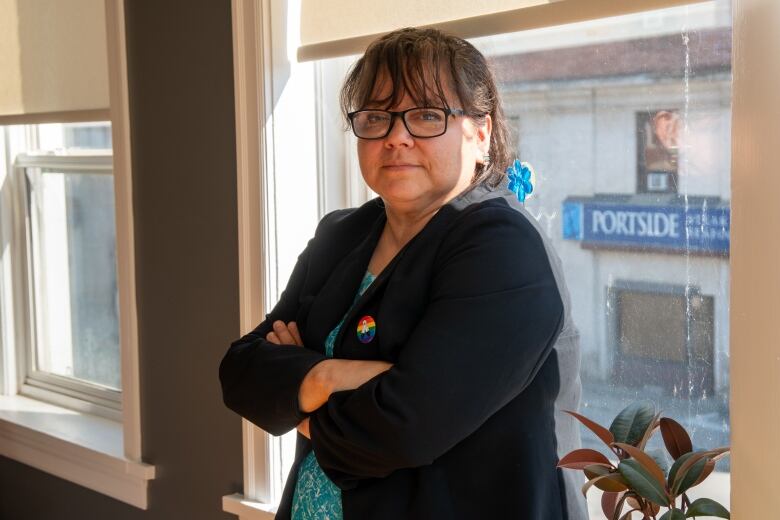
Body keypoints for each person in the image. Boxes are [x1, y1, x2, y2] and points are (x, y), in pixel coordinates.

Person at [219, 27, 586, 520]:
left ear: (482, 131)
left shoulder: (502, 246)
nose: (396, 136)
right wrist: (334, 377)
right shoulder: (342, 234)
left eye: (427, 115)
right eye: (376, 117)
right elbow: (241, 373)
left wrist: (299, 383)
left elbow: (403, 429)